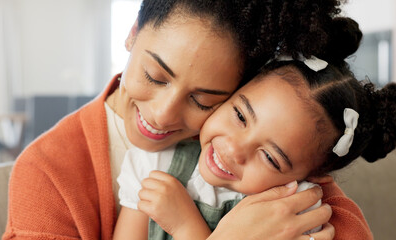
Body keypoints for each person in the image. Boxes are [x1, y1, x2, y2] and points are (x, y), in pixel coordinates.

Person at [2, 1, 372, 239]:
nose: (162, 115)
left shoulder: (250, 149)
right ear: (132, 33)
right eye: (154, 75)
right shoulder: (46, 170)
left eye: (203, 100)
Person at [114, 16, 395, 240]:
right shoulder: (153, 165)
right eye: (239, 115)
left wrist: (188, 229)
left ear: (313, 178)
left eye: (271, 157)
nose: (234, 149)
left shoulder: (296, 213)